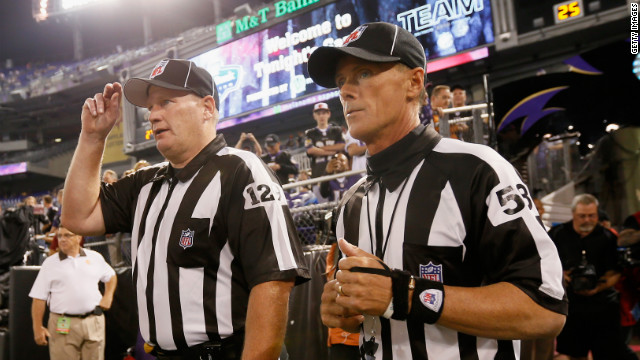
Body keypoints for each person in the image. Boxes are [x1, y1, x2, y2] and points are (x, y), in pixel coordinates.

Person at [307, 21, 567, 359]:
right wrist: (344, 311)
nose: (346, 91)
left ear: (414, 83)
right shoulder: (351, 203)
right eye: (341, 81)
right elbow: (366, 317)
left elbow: (544, 307)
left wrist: (407, 295)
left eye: (364, 74)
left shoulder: (477, 169)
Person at [61, 58, 309, 359]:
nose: (153, 115)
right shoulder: (145, 184)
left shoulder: (241, 170)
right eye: (150, 107)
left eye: (166, 101)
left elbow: (273, 281)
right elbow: (76, 217)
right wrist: (93, 137)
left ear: (207, 107)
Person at [548, 194, 622, 360]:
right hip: (571, 306)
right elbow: (545, 266)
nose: (587, 220)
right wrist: (563, 277)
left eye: (592, 215)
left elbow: (616, 271)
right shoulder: (557, 234)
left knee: (607, 353)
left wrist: (598, 287)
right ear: (573, 214)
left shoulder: (608, 237)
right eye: (582, 216)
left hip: (603, 306)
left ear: (597, 214)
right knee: (573, 353)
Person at [30, 225, 117, 360]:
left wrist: (108, 296)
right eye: (59, 236)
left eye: (67, 235)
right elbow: (38, 298)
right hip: (63, 323)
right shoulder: (50, 263)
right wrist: (37, 328)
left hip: (94, 322)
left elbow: (111, 276)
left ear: (79, 237)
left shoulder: (95, 257)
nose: (62, 239)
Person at [305, 102, 345, 179]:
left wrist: (318, 149)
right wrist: (332, 152)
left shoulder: (337, 130)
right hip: (318, 172)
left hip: (336, 171)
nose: (321, 116)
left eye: (323, 113)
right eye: (318, 114)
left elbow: (342, 146)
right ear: (314, 116)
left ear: (328, 114)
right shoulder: (309, 133)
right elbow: (310, 150)